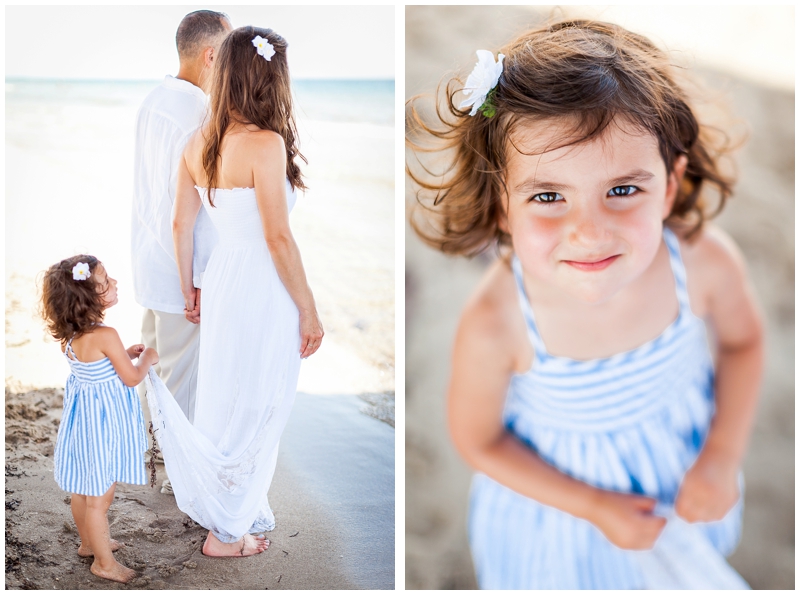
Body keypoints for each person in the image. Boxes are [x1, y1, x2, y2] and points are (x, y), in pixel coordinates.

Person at [406, 20, 763, 589]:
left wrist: (721, 457)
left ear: (669, 186)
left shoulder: (700, 262)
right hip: (560, 524)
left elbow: (744, 343)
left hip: (684, 484)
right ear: (502, 206)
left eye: (623, 190)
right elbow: (480, 440)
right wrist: (594, 506)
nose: (589, 232)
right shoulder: (499, 322)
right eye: (548, 196)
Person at [145, 26, 323, 558]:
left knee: (226, 391)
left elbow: (180, 225)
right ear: (269, 79)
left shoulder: (198, 141)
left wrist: (187, 289)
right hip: (262, 284)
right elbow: (277, 237)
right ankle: (225, 532)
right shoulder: (264, 144)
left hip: (222, 277)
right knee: (260, 393)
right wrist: (309, 310)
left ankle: (229, 513)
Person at [131, 10, 231, 435]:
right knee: (181, 384)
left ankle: (143, 451)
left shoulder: (153, 101)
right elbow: (196, 212)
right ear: (210, 56)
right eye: (227, 54)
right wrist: (200, 279)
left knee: (151, 371)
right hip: (179, 270)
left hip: (149, 260)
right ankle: (176, 476)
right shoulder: (198, 116)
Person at [40, 255, 159, 584]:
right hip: (104, 428)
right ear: (88, 299)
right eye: (106, 283)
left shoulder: (72, 335)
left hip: (84, 427)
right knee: (100, 501)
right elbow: (132, 379)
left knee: (82, 491)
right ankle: (104, 563)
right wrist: (147, 358)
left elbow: (100, 367)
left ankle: (89, 543)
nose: (116, 283)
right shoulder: (106, 334)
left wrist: (125, 354)